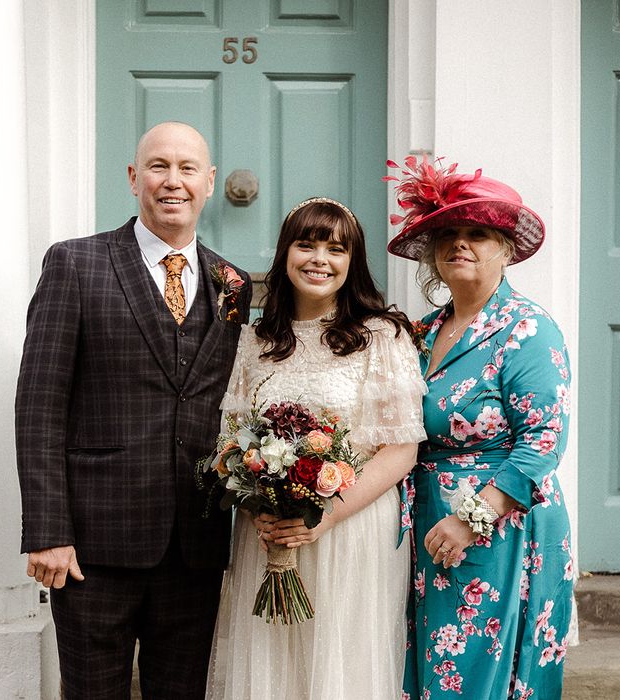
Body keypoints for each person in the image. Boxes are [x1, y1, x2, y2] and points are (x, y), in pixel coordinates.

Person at [15, 122, 252, 699]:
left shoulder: (234, 285)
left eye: (188, 168)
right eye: (158, 166)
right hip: (92, 545)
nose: (173, 181)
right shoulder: (76, 264)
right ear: (133, 177)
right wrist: (48, 531)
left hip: (193, 544)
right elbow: (39, 405)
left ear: (210, 182)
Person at [205, 198, 427, 699]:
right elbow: (231, 441)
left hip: (352, 527)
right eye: (306, 245)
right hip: (270, 533)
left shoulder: (384, 336)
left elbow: (400, 451)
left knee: (341, 664)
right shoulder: (254, 340)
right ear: (285, 254)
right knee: (273, 661)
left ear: (353, 261)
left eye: (335, 248)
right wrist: (255, 500)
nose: (319, 259)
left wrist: (325, 516)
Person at [386, 158, 574, 700]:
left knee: (475, 679)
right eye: (449, 234)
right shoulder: (418, 334)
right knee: (432, 672)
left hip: (501, 526)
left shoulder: (528, 329)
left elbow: (543, 441)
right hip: (426, 524)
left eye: (477, 233)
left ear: (507, 248)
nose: (460, 244)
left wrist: (474, 518)